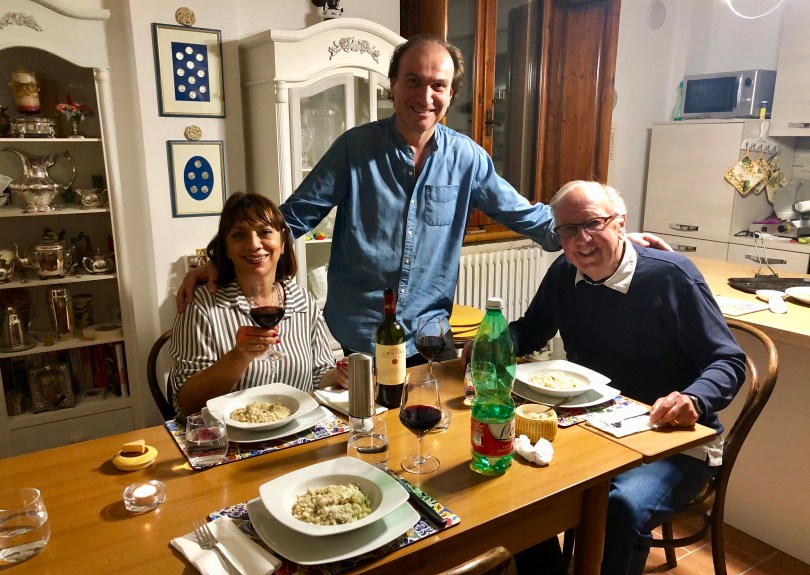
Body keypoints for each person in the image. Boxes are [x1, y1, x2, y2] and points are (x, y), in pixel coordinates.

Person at [178, 34, 669, 364]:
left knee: (425, 451)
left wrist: (608, 236)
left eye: (438, 85)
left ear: (450, 94)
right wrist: (218, 260)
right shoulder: (353, 149)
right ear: (393, 85)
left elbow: (531, 218)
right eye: (413, 80)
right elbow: (290, 220)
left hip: (428, 339)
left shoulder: (468, 158)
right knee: (358, 450)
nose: (425, 95)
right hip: (355, 340)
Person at [507, 181, 746, 575]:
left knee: (622, 509)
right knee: (515, 469)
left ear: (620, 224)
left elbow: (728, 361)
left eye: (593, 224)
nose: (581, 239)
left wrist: (694, 399)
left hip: (673, 440)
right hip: (593, 425)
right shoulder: (563, 273)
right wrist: (493, 342)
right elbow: (530, 330)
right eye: (567, 229)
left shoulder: (670, 276)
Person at [169, 192, 346, 416]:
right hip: (230, 435)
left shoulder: (303, 300)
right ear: (226, 249)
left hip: (296, 428)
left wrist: (340, 375)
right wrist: (239, 356)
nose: (254, 244)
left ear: (282, 242)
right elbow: (186, 404)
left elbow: (319, 373)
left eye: (264, 232)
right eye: (239, 235)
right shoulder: (201, 305)